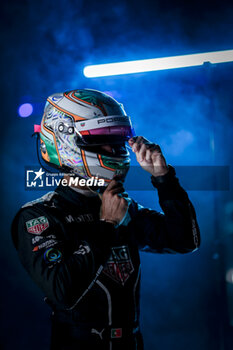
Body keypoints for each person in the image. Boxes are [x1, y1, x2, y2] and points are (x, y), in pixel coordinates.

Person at [11, 89, 200, 350]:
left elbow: (185, 241)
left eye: (119, 139)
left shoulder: (122, 205)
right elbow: (62, 291)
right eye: (102, 139)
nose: (116, 149)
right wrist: (107, 226)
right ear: (67, 142)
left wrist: (164, 178)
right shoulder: (39, 216)